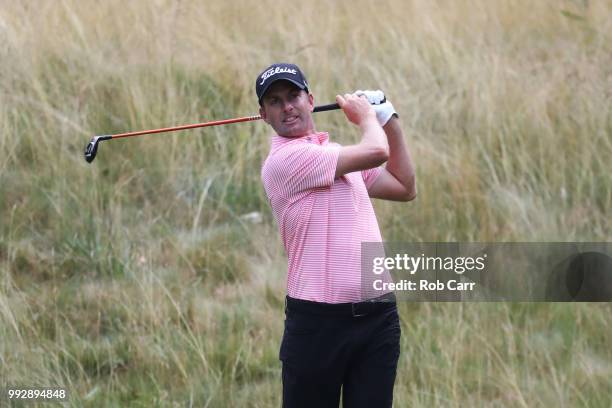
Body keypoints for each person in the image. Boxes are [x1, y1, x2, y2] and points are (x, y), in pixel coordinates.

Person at [256, 62, 416, 408]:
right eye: (274, 101)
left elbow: (404, 187)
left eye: (293, 96)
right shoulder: (285, 162)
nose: (287, 107)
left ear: (310, 100)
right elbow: (376, 151)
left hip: (378, 319)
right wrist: (368, 119)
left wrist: (390, 119)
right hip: (318, 325)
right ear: (263, 115)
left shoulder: (336, 156)